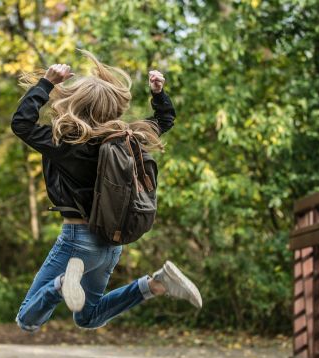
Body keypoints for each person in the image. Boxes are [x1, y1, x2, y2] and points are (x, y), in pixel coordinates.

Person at [11, 51, 202, 332]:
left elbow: (21, 124)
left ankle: (62, 284)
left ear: (76, 103)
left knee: (27, 319)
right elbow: (165, 120)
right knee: (88, 317)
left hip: (77, 242)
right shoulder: (128, 138)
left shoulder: (64, 142)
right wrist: (158, 94)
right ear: (112, 107)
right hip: (111, 244)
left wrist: (46, 83)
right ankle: (156, 284)